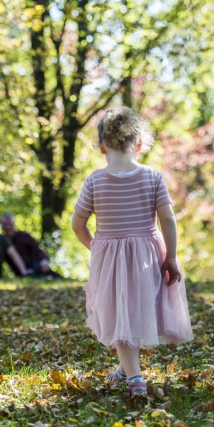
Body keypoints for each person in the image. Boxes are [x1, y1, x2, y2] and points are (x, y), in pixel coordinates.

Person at [71, 106, 193, 398]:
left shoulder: (95, 181)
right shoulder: (152, 177)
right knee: (136, 311)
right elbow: (167, 219)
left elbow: (78, 224)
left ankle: (134, 378)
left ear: (102, 147)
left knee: (120, 314)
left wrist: (97, 248)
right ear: (139, 145)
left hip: (110, 258)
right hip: (146, 257)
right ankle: (127, 371)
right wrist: (171, 256)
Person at [0, 213, 62, 279]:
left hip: (36, 266)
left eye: (10, 224)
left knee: (49, 274)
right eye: (5, 225)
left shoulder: (24, 236)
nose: (8, 227)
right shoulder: (1, 242)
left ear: (14, 224)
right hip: (22, 273)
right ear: (2, 226)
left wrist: (44, 261)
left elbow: (38, 250)